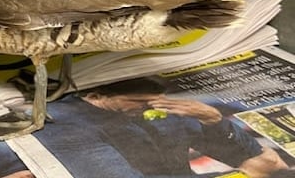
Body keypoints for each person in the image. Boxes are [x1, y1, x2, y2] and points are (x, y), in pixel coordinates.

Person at [36, 78, 288, 178]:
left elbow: (249, 156)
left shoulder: (159, 112)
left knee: (274, 164)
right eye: (140, 102)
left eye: (152, 101)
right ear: (95, 96)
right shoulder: (66, 125)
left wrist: (212, 120)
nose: (149, 107)